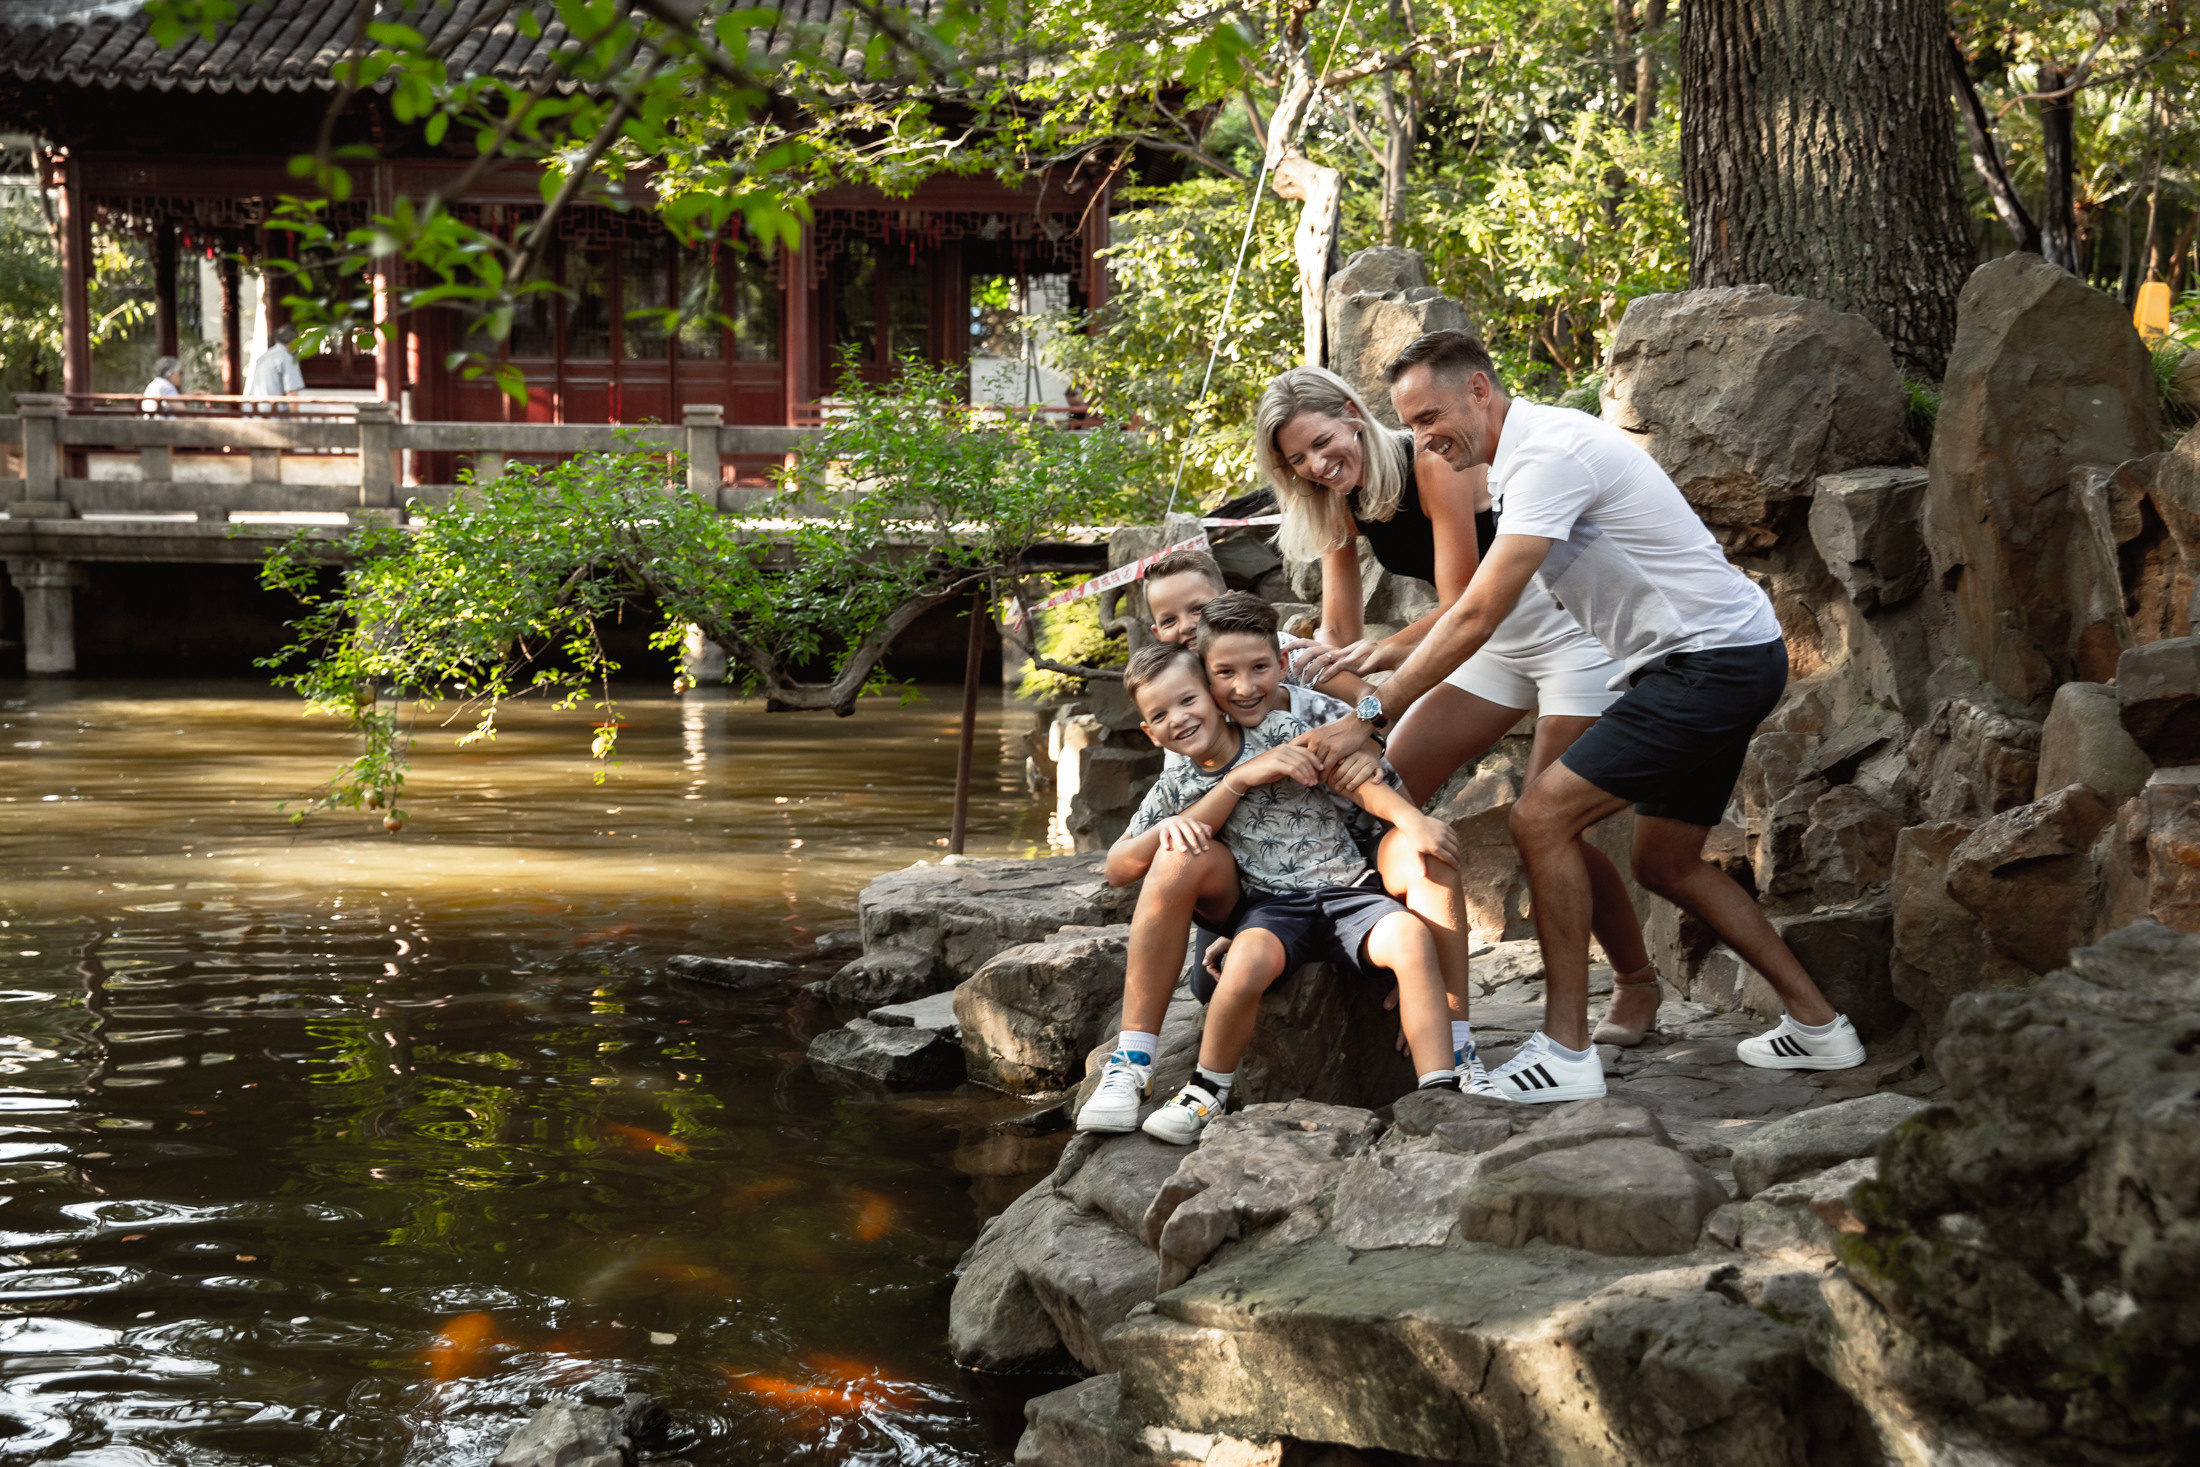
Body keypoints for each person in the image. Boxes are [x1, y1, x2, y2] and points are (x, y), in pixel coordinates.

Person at [1307, 329, 1864, 1102]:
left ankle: (1564, 1052)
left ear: (1479, 388)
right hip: (1717, 656)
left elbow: (1473, 617)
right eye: (1411, 423)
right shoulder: (1507, 459)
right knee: (1663, 862)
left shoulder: (1546, 456)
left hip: (1710, 665)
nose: (1424, 437)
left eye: (1432, 415)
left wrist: (1370, 716)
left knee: (1540, 818)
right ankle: (1819, 1025)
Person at [1249, 366, 1662, 1050]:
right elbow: (1341, 632)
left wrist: (1378, 662)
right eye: (1299, 460)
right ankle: (1412, 966)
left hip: (1561, 635)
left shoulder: (1427, 462)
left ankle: (1635, 979)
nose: (1320, 465)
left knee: (1549, 822)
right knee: (1383, 787)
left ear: (1353, 413)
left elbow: (1463, 601)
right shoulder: (1335, 499)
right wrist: (1308, 667)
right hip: (1489, 649)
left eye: (1323, 442)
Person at [1077, 641, 1465, 1144]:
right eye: (1161, 714)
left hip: (1349, 888)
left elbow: (1351, 781)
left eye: (1188, 700)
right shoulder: (1176, 786)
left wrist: (1411, 818)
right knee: (1244, 962)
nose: (1179, 718)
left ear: (1215, 699)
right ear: (1150, 733)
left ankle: (1439, 1086)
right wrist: (1191, 814)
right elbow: (1117, 866)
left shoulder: (1279, 732)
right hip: (1273, 904)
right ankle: (1205, 1091)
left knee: (1411, 940)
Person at [1139, 555, 1486, 1078]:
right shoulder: (1185, 703)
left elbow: (1375, 706)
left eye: (1198, 609)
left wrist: (1367, 736)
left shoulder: (1289, 664)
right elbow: (1172, 818)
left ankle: (1452, 1030)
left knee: (1428, 853)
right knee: (1212, 982)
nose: (1186, 626)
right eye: (1170, 620)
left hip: (1354, 841)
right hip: (1263, 865)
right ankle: (1146, 1058)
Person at [244, 324, 304, 401]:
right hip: (272, 409)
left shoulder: (264, 356)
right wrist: (295, 413)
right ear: (294, 341)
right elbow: (292, 392)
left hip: (253, 408)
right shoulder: (287, 359)